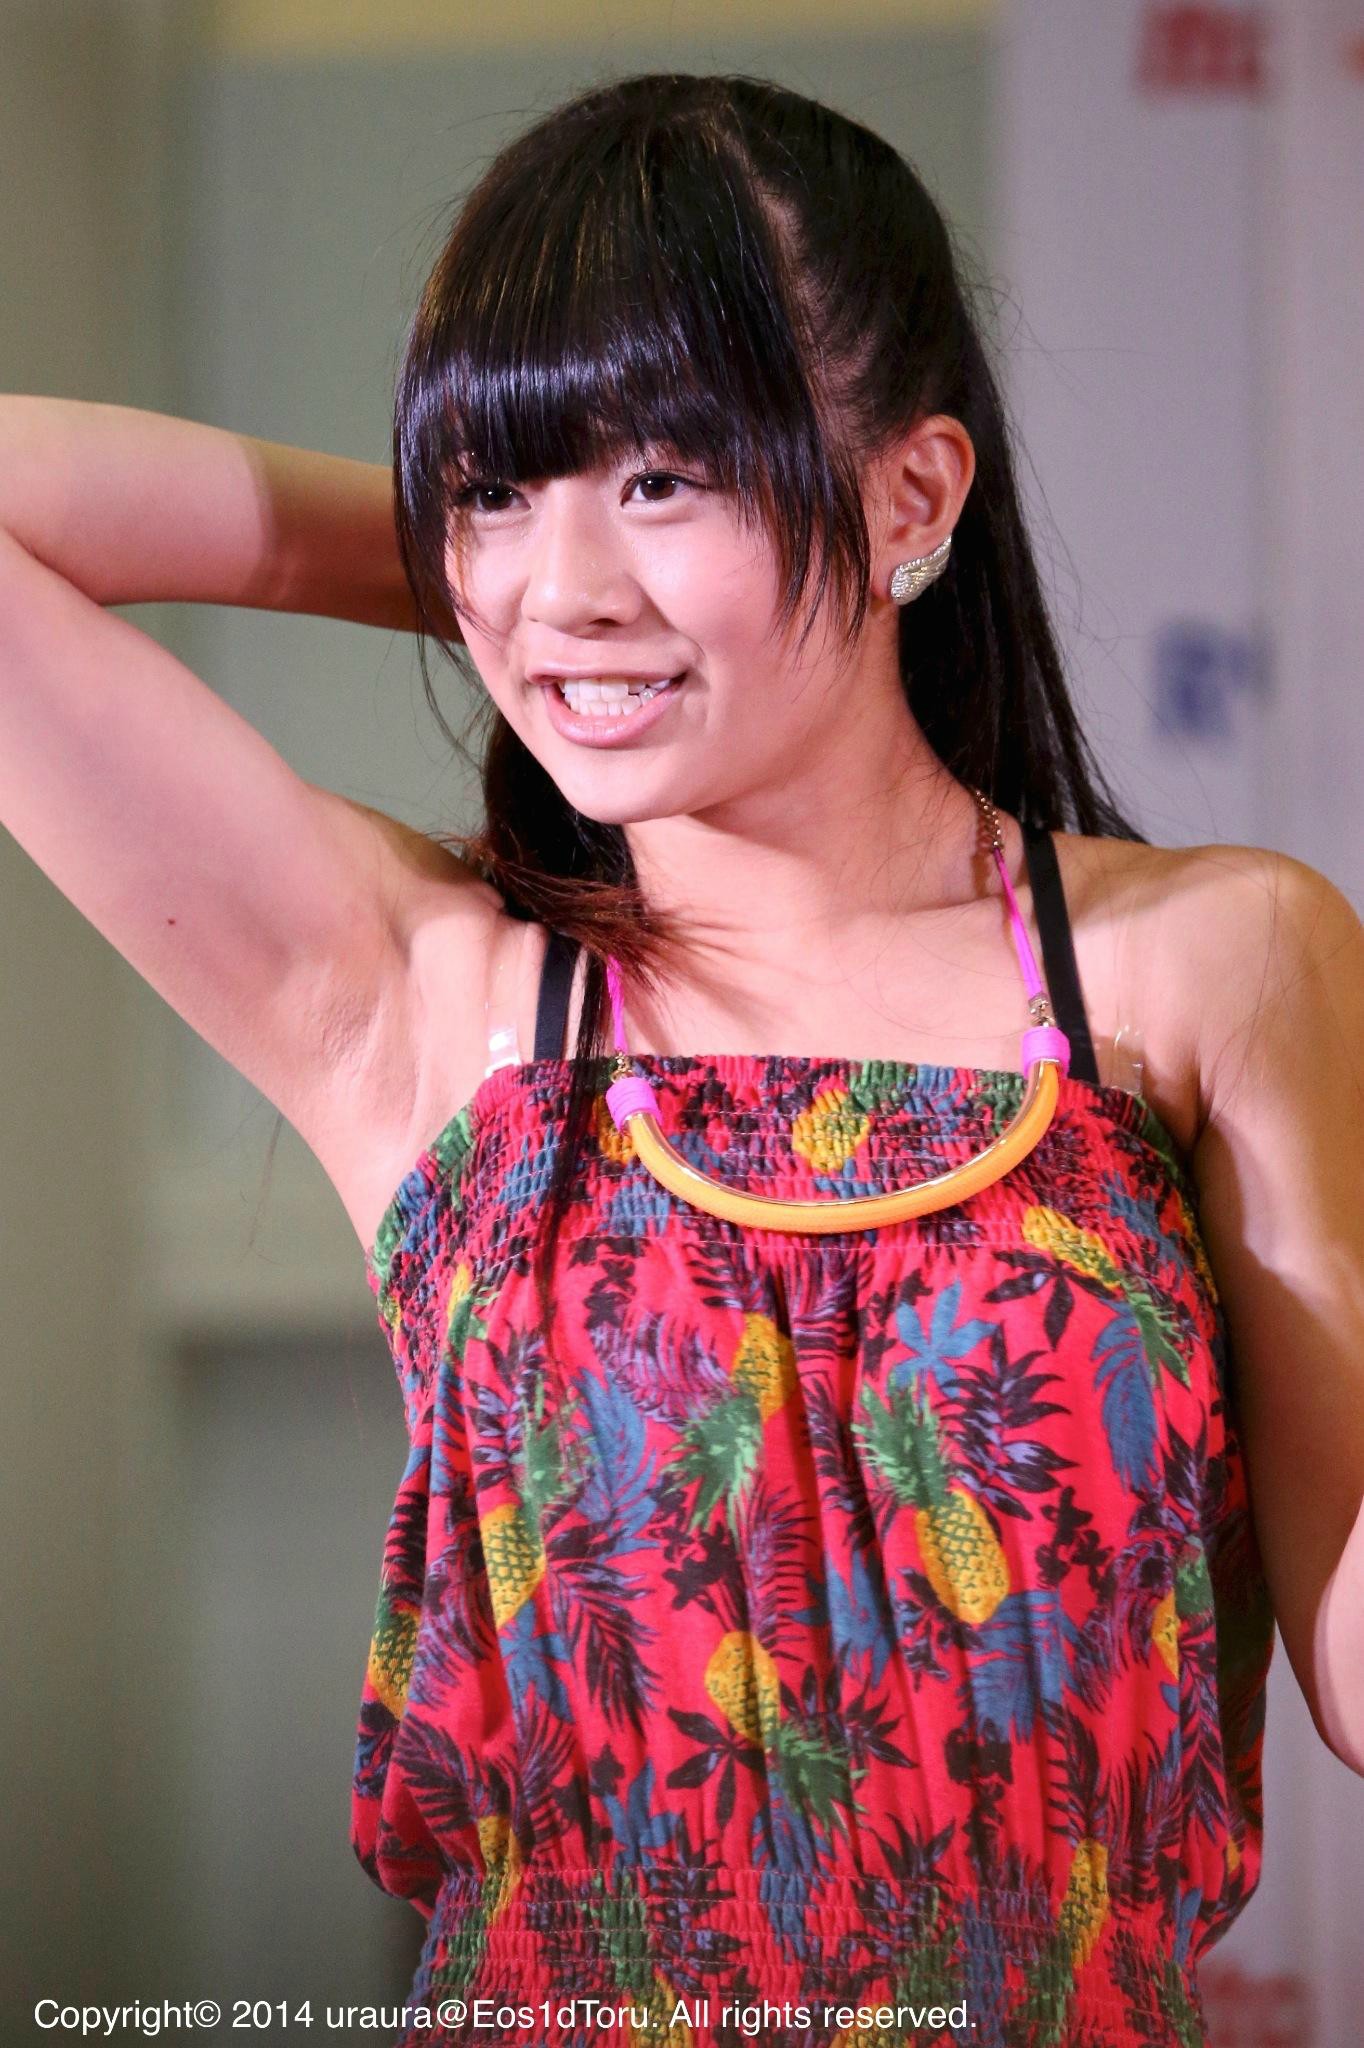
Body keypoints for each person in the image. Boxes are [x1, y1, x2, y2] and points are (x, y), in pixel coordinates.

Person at [2, 65, 1361, 2048]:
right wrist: (503, 585)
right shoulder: (442, 1007)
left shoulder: (1211, 960)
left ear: (915, 495)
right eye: (496, 486)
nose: (563, 579)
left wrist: (588, 575)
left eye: (666, 476)